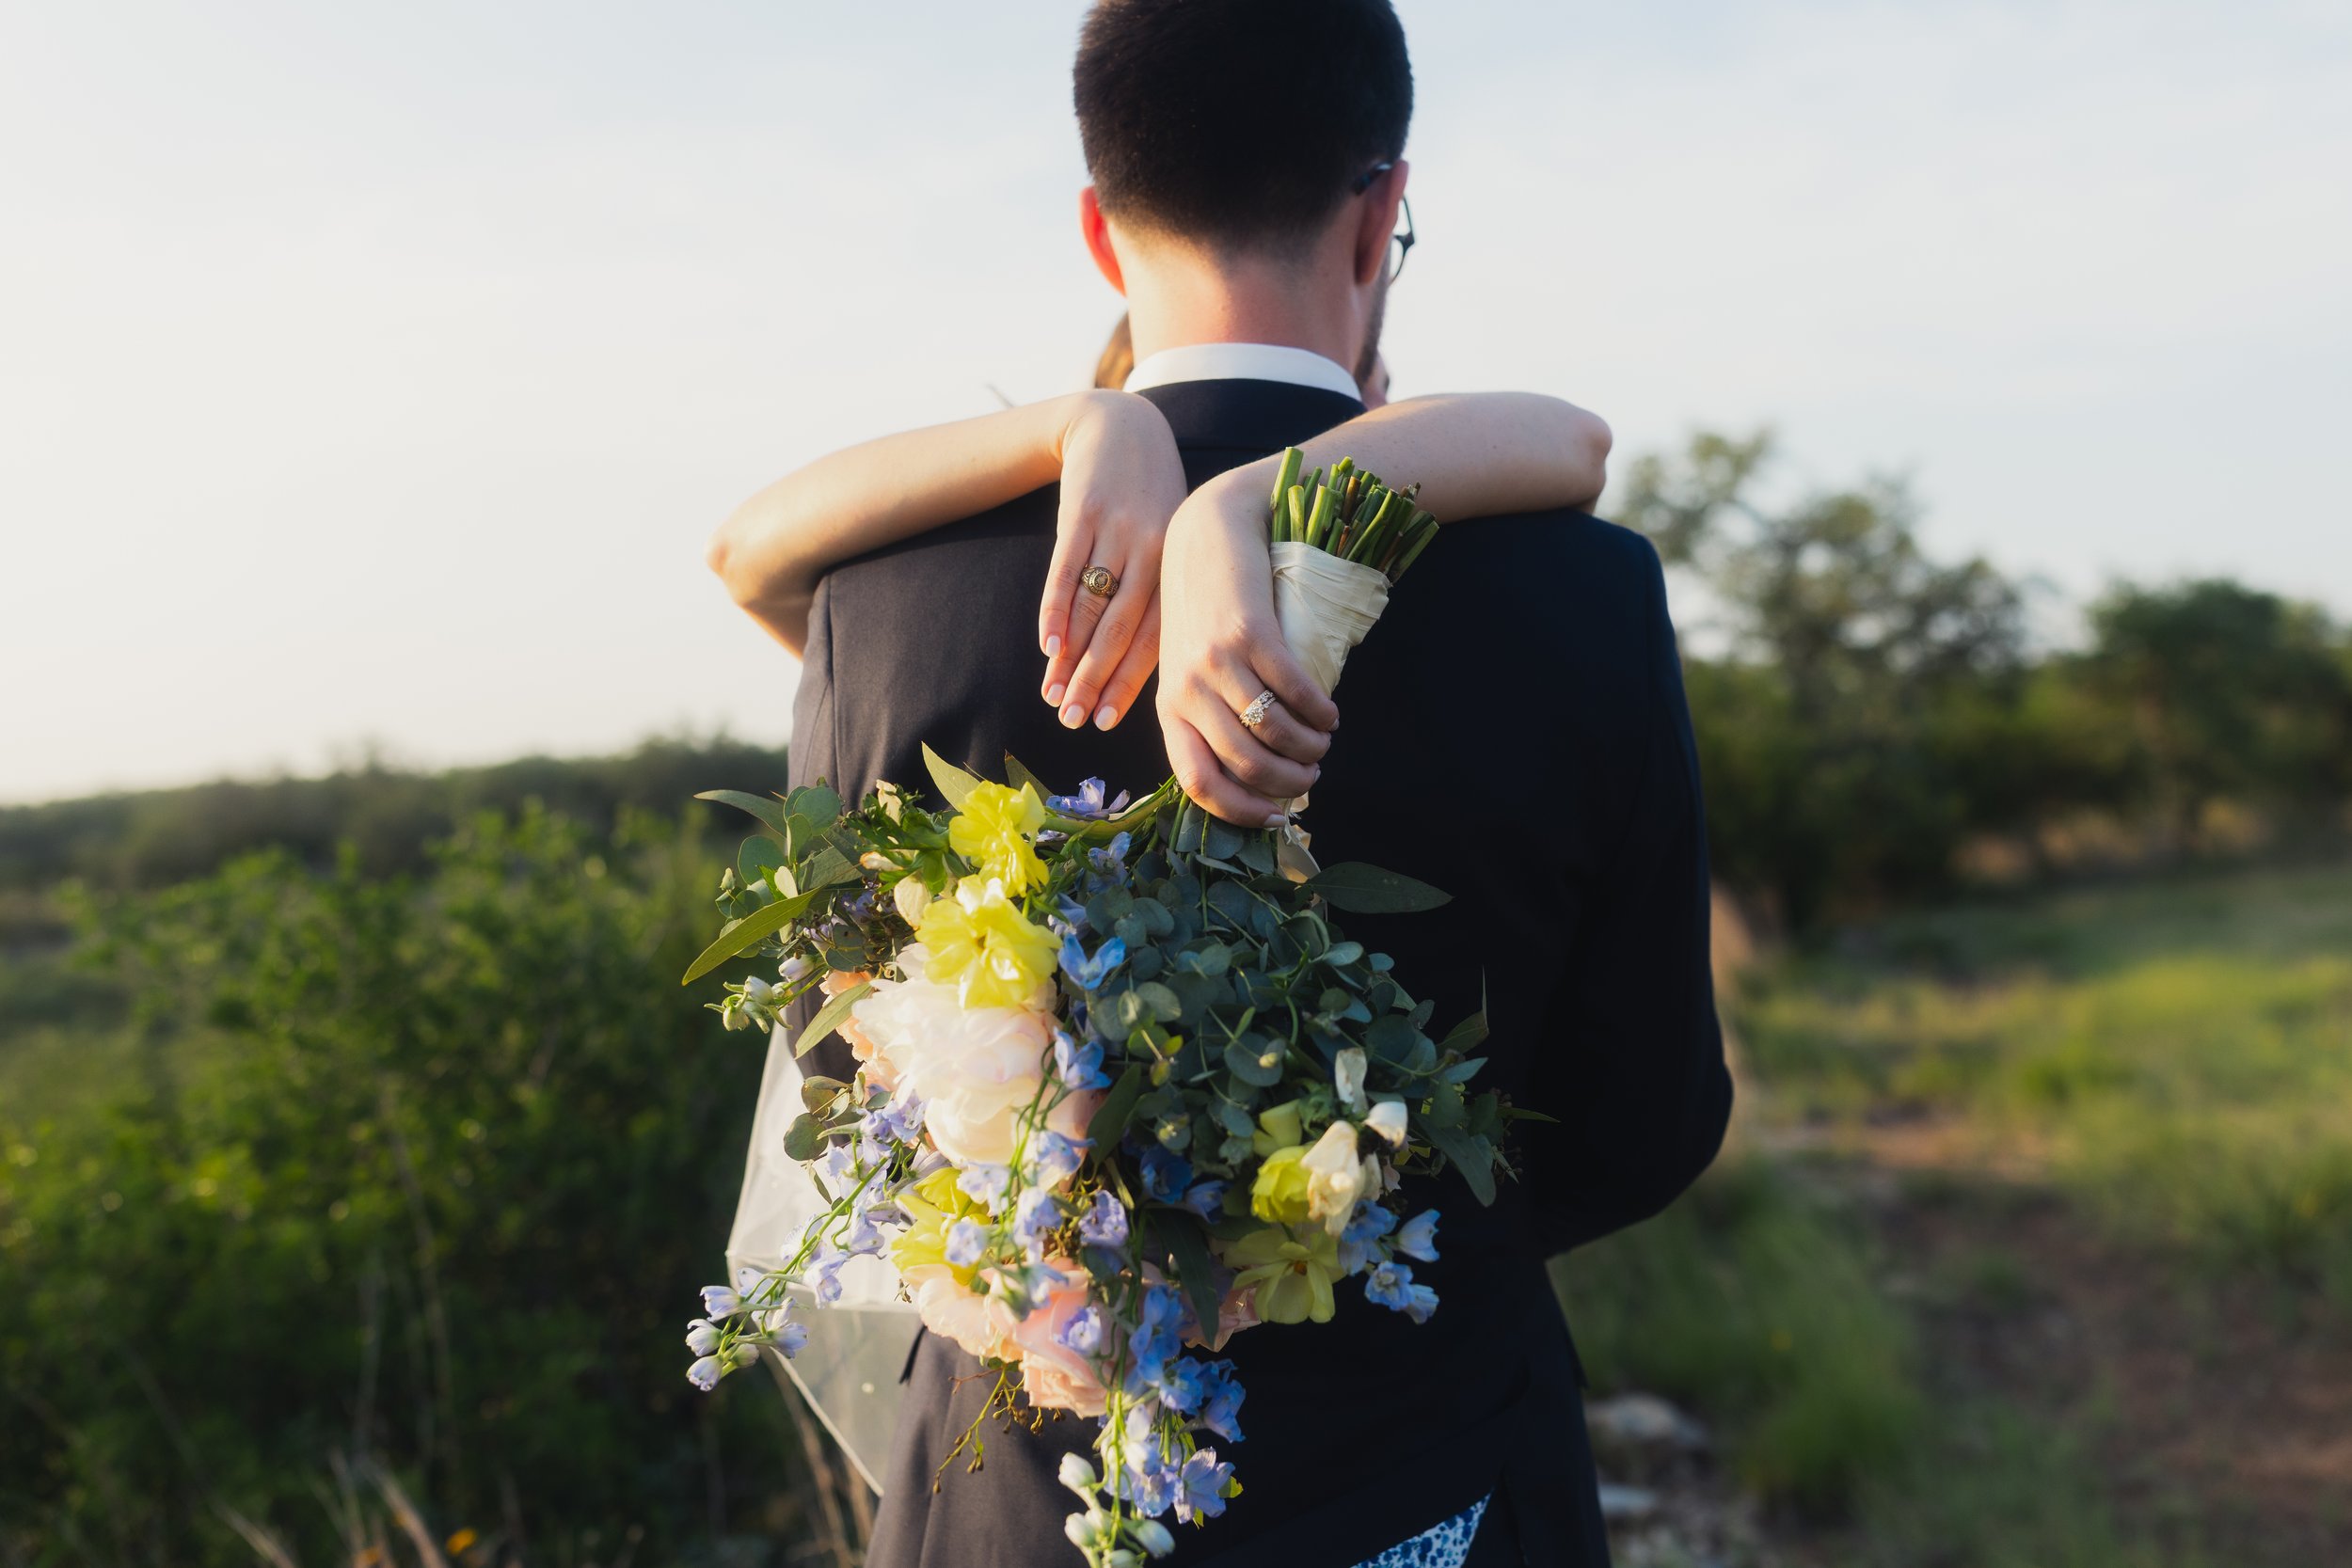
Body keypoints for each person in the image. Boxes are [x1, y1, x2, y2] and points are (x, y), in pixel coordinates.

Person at [710, 2, 1732, 1562]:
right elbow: (1647, 1121)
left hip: (1012, 1514)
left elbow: (849, 1082)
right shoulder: (1577, 590)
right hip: (1441, 1468)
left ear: (1097, 231)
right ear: (1383, 211)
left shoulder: (882, 602)